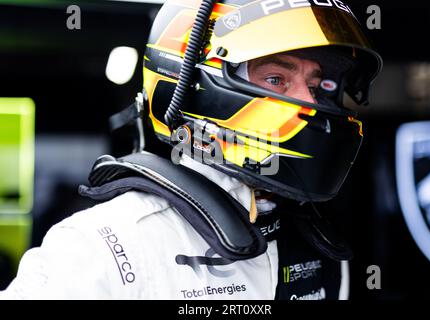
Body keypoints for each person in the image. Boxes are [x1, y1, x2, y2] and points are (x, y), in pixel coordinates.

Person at [0, 0, 382, 299]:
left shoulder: (317, 248)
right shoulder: (106, 244)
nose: (308, 102)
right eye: (277, 78)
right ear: (196, 83)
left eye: (315, 86)